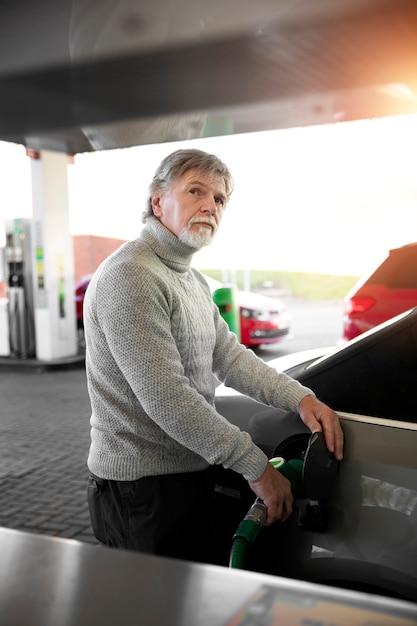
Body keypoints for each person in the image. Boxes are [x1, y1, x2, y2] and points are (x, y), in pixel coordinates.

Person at [84, 148, 344, 565]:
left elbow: (230, 359)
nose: (210, 205)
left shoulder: (190, 280)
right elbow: (167, 397)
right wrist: (257, 469)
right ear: (157, 202)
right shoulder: (130, 275)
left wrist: (301, 398)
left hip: (186, 476)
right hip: (141, 491)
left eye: (220, 199)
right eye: (195, 191)